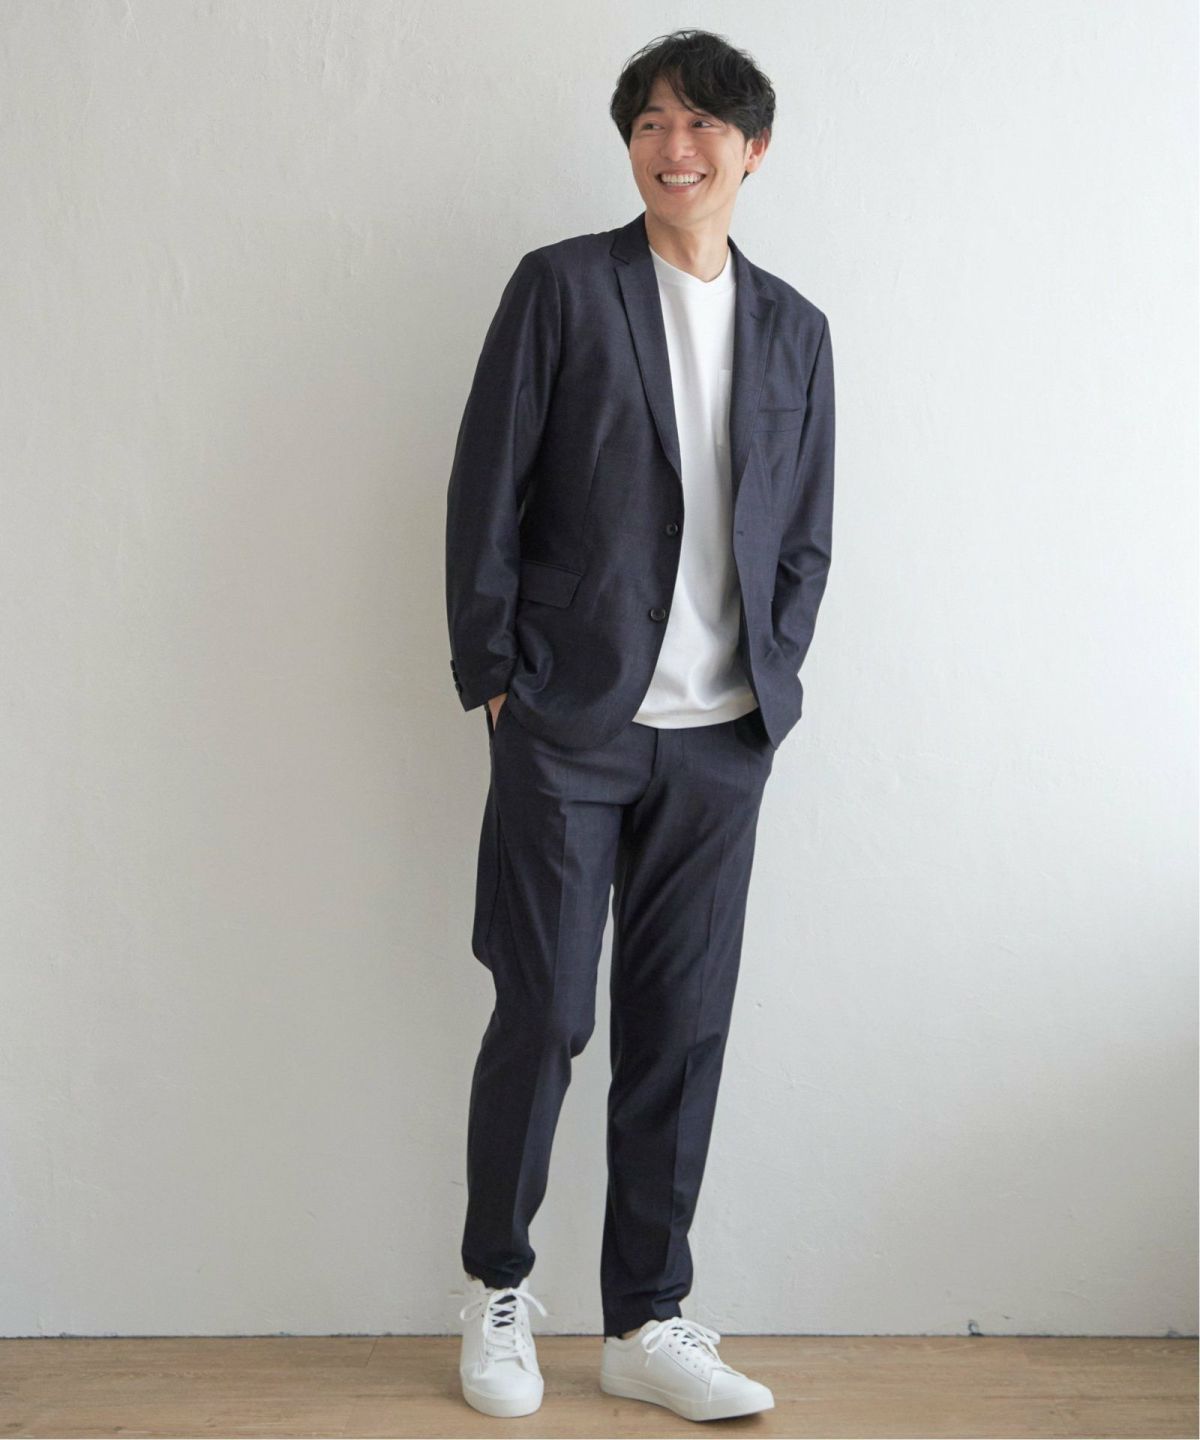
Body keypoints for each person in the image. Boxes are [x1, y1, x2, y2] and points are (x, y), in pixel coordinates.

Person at [445, 27, 835, 1424]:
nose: (677, 148)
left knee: (681, 1031)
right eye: (653, 123)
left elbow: (805, 535)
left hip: (722, 739)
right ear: (631, 145)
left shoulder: (795, 328)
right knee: (545, 1009)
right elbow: (487, 484)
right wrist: (496, 675)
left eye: (705, 125)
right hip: (569, 724)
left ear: (753, 149)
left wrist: (773, 685)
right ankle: (497, 1287)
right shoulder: (562, 288)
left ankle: (647, 1320)